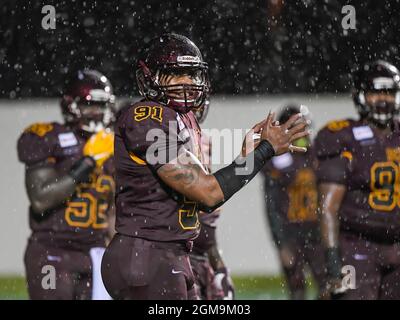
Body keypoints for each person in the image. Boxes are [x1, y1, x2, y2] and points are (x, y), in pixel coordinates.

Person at [101, 33, 309, 300]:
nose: (187, 82)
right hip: (145, 254)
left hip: (169, 253)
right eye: (176, 74)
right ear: (150, 78)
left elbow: (207, 202)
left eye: (191, 74)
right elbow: (207, 192)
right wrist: (266, 151)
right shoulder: (147, 117)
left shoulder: (183, 120)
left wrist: (249, 158)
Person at [17, 70, 116, 299]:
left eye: (102, 106)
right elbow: (40, 199)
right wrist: (87, 163)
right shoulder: (49, 137)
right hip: (52, 251)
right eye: (90, 105)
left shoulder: (111, 144)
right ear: (71, 106)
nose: (97, 113)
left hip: (94, 253)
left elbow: (114, 209)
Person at [315, 60, 400, 299]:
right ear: (360, 95)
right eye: (375, 92)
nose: (383, 99)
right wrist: (333, 265)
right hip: (357, 247)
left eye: (389, 92)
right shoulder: (342, 136)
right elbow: (327, 208)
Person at [263, 104, 327, 300]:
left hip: (317, 232)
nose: (303, 131)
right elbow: (272, 206)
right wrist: (281, 244)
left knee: (327, 288)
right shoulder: (278, 160)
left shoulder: (319, 155)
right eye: (297, 127)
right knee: (297, 290)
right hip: (291, 233)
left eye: (304, 126)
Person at [190, 99, 235, 300]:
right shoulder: (166, 143)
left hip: (197, 260)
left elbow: (207, 240)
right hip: (173, 259)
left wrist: (220, 269)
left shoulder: (205, 140)